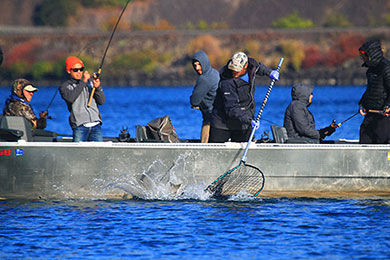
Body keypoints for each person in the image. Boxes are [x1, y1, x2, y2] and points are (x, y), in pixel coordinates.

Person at [209, 51, 279, 143]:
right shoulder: (226, 81)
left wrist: (269, 72)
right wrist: (248, 120)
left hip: (244, 122)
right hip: (222, 123)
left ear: (245, 66)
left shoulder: (251, 65)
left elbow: (258, 67)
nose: (234, 72)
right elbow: (232, 108)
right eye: (233, 69)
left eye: (237, 70)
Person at [59, 56, 105, 142]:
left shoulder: (90, 82)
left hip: (96, 125)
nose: (79, 72)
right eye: (75, 70)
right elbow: (70, 98)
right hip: (80, 127)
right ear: (69, 71)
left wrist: (98, 88)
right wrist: (83, 82)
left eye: (81, 69)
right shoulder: (65, 86)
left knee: (99, 153)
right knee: (77, 153)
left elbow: (101, 101)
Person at [358, 39, 390, 144]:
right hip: (370, 112)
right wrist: (362, 103)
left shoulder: (386, 68)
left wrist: (387, 106)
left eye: (364, 55)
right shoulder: (370, 70)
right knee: (364, 138)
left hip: (383, 115)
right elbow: (371, 90)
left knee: (381, 141)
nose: (362, 58)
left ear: (371, 55)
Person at [190, 50, 219, 143]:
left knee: (204, 145)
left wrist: (196, 103)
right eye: (195, 65)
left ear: (204, 63)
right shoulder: (215, 72)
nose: (197, 68)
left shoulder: (204, 78)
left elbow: (194, 100)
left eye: (199, 64)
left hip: (210, 118)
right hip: (218, 117)